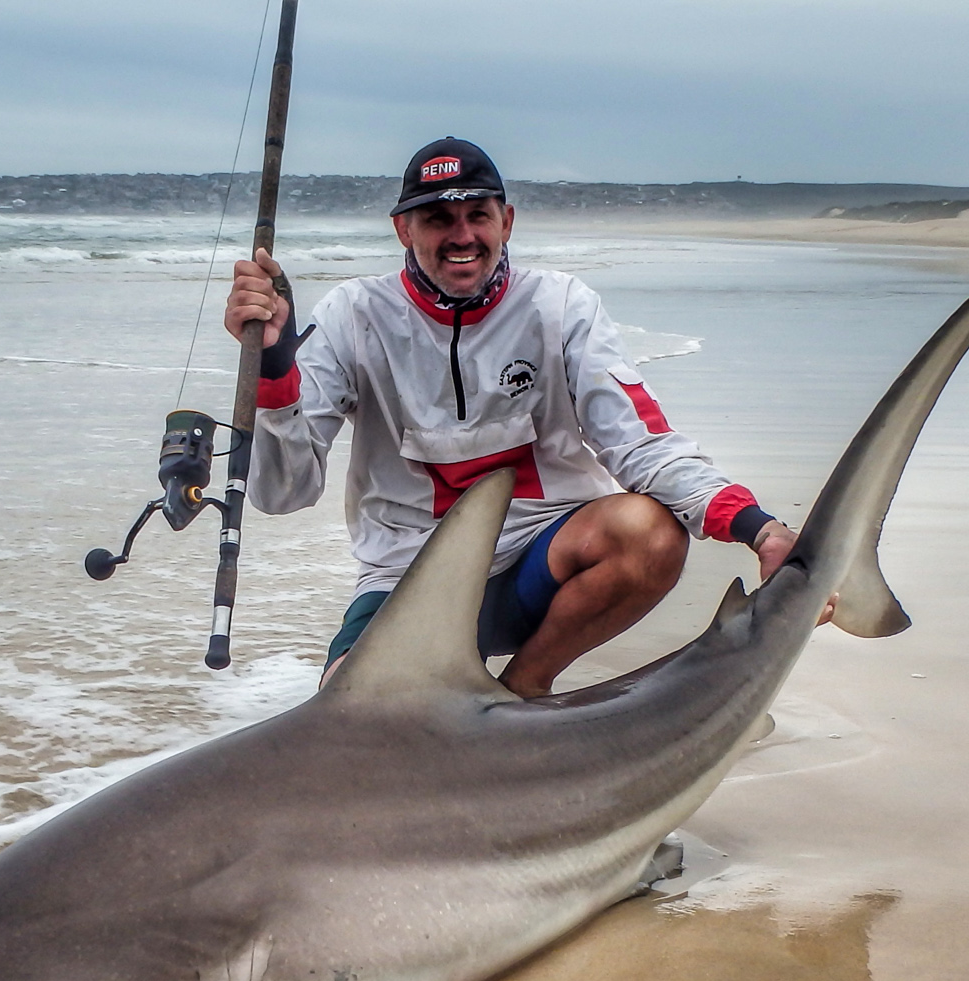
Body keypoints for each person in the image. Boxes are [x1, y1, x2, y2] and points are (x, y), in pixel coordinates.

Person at [224, 137, 804, 697]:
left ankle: (525, 688)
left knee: (647, 532)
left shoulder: (560, 306)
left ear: (507, 221)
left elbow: (640, 443)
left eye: (479, 215)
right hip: (410, 579)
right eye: (437, 220)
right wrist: (274, 368)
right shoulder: (353, 316)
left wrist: (759, 528)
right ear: (402, 229)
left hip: (543, 566)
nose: (463, 236)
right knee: (347, 727)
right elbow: (283, 494)